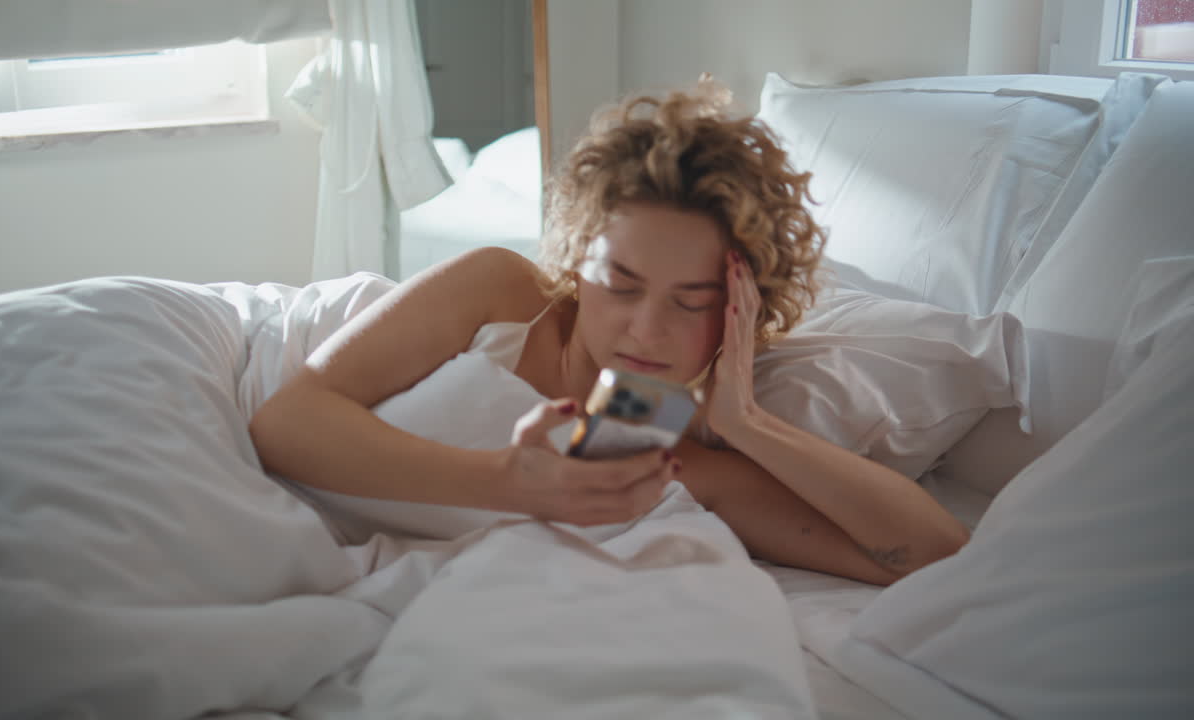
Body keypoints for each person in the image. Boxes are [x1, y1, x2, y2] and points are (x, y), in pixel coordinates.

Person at [249, 78, 969, 586]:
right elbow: (285, 420)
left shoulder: (653, 437)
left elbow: (926, 553)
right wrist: (509, 483)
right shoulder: (501, 291)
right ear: (577, 257)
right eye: (621, 283)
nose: (644, 329)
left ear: (737, 314)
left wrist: (747, 421)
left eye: (691, 302)